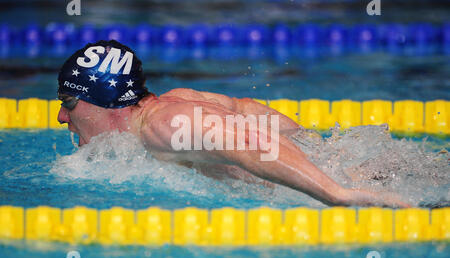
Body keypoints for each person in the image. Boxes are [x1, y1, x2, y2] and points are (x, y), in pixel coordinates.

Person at [57, 40, 409, 207]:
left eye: (69, 102)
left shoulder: (162, 126)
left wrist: (338, 192)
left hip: (345, 183)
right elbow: (244, 108)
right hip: (356, 166)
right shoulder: (176, 100)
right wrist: (316, 148)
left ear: (105, 98)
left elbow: (254, 143)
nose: (62, 117)